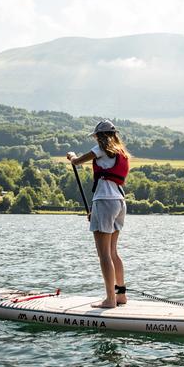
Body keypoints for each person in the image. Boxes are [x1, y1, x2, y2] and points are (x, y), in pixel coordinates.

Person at [66, 120, 129, 308]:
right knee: (113, 252)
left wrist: (71, 156)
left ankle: (110, 300)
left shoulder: (100, 148)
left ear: (100, 136)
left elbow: (77, 162)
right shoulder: (122, 153)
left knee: (104, 254)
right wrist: (95, 211)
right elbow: (109, 183)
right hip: (119, 202)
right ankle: (121, 295)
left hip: (105, 201)